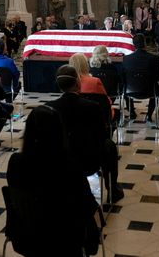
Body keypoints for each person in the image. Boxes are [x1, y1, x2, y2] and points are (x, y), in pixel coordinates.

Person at [6, 105, 100, 256]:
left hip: (26, 236)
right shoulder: (70, 166)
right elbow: (87, 206)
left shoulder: (15, 162)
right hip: (64, 240)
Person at [47, 65, 123, 202]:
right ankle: (112, 189)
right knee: (110, 145)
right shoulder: (92, 107)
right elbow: (102, 135)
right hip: (88, 161)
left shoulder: (49, 107)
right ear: (78, 83)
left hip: (57, 160)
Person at [120, 34, 159, 121]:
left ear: (133, 45)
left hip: (130, 90)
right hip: (150, 90)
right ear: (145, 44)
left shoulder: (126, 59)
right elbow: (158, 76)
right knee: (157, 86)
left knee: (125, 84)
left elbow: (123, 77)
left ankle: (131, 112)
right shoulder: (154, 58)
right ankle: (149, 115)